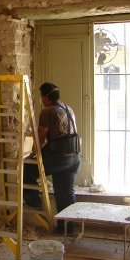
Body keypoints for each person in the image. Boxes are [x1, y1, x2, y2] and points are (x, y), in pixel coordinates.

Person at [23, 82, 80, 233]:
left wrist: (33, 154)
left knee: (26, 168)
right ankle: (66, 229)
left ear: (47, 97)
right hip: (74, 158)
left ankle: (34, 203)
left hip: (60, 158)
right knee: (65, 193)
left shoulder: (47, 112)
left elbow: (40, 137)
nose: (41, 99)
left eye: (42, 96)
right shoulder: (68, 109)